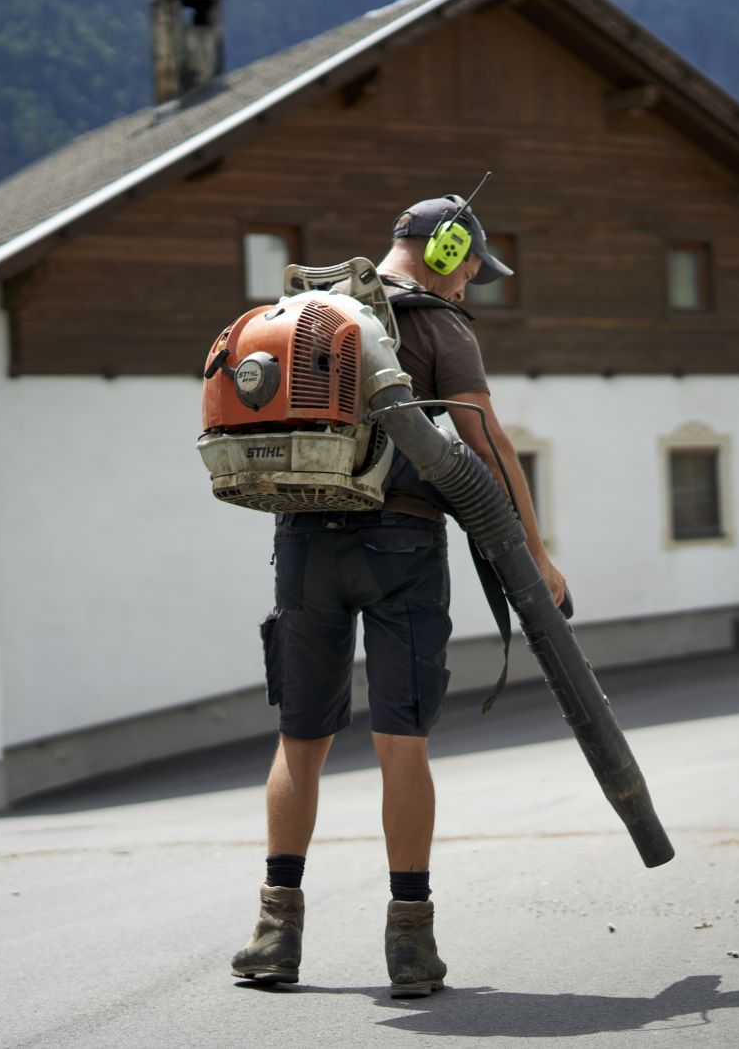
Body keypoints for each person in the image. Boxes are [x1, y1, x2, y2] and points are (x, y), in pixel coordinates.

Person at [230, 192, 566, 997]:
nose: (469, 286)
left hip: (304, 541)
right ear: (449, 251)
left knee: (300, 741)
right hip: (401, 548)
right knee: (399, 742)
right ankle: (410, 945)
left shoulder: (316, 311)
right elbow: (484, 443)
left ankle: (277, 933)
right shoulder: (436, 325)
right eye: (473, 269)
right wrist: (538, 556)